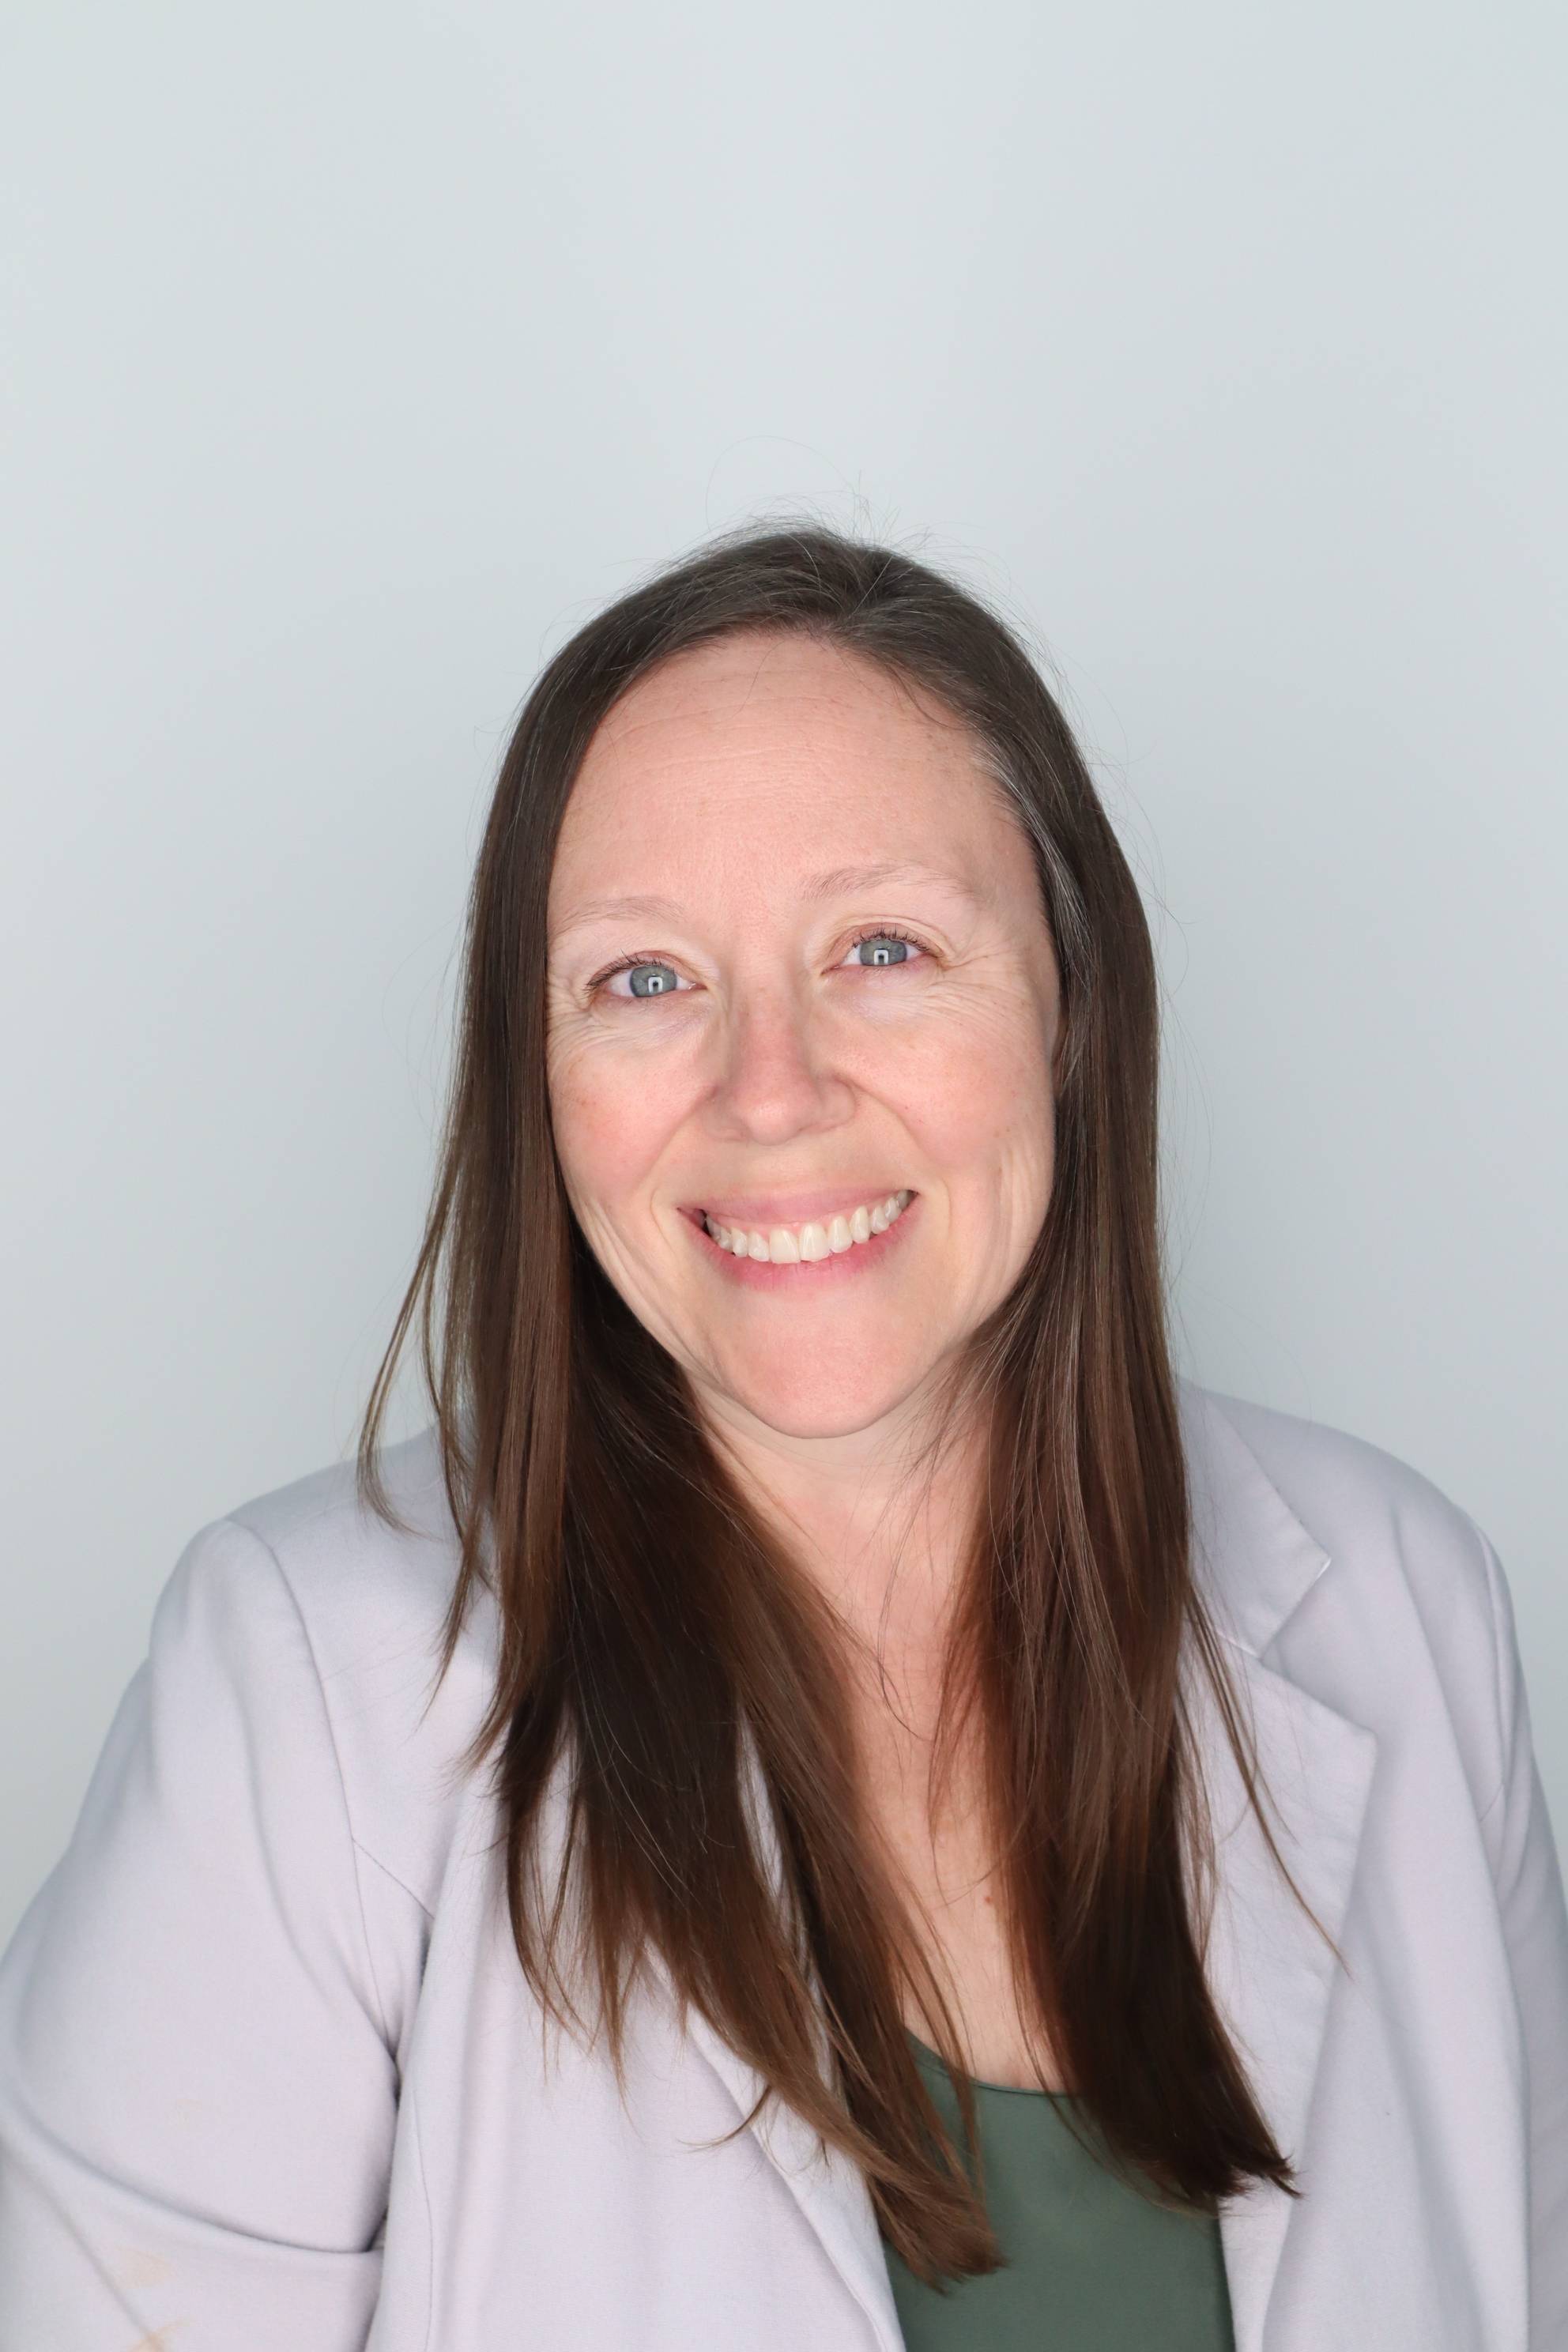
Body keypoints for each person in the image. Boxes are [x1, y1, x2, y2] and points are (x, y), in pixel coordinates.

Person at [0, 523, 1562, 2352]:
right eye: (641, 980)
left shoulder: (1403, 1604)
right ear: (539, 1075)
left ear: (1067, 1008)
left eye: (882, 948)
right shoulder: (296, 1695)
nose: (770, 1092)